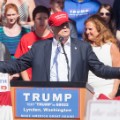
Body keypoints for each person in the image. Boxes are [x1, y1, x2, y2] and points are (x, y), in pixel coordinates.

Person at [0, 12, 120, 82]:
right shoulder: (39, 48)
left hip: (74, 101)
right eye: (60, 25)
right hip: (45, 103)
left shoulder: (83, 48)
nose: (65, 27)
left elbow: (101, 70)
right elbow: (17, 65)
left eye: (66, 24)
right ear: (52, 29)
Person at [83, 14, 120, 99]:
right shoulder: (84, 47)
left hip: (107, 92)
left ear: (99, 29)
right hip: (89, 92)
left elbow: (118, 71)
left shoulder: (111, 46)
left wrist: (113, 92)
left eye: (90, 29)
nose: (87, 32)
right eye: (86, 29)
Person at [15, 5, 53, 81]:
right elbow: (21, 63)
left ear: (48, 19)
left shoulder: (54, 38)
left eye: (45, 18)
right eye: (39, 18)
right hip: (30, 82)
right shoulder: (26, 39)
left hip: (51, 82)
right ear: (34, 20)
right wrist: (28, 83)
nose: (42, 22)